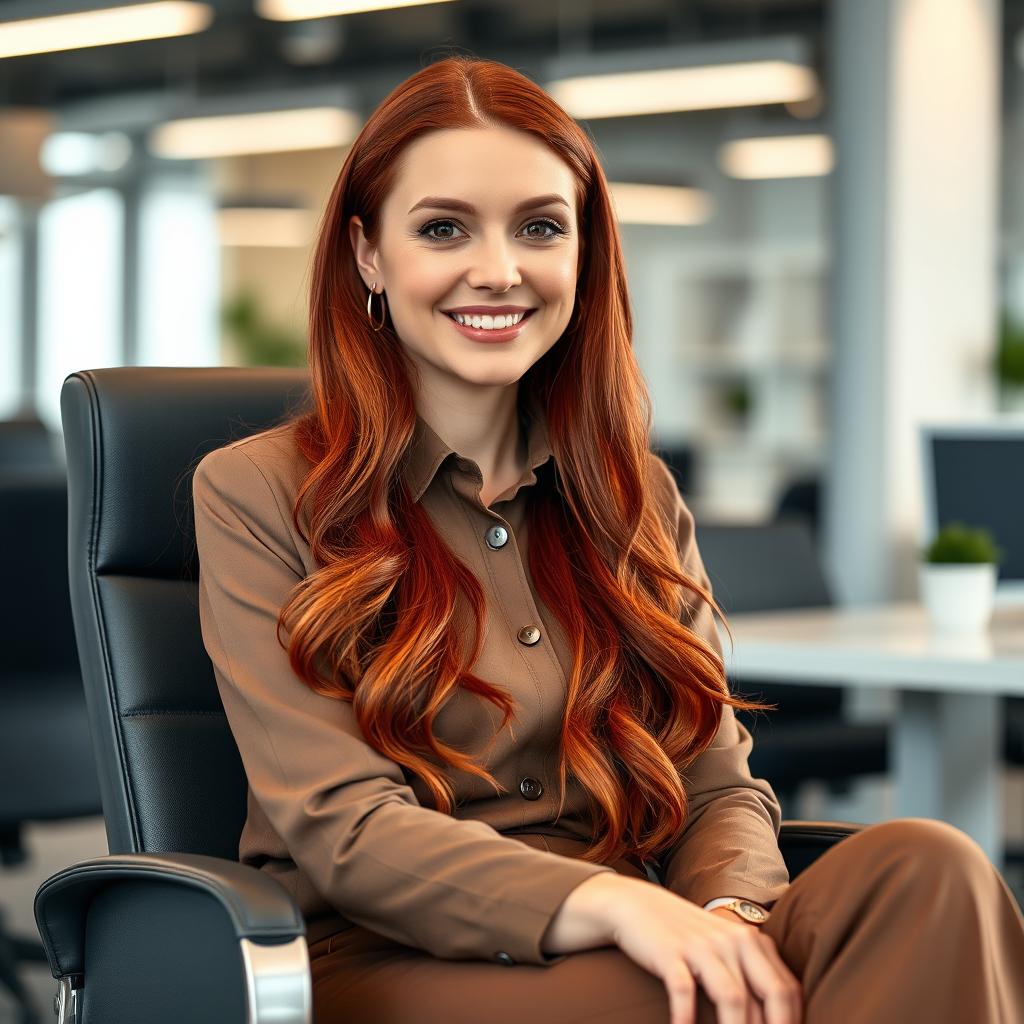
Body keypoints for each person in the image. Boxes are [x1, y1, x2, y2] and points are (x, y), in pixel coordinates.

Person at [191, 55, 1024, 1024]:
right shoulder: (259, 490)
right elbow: (344, 827)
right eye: (443, 227)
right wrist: (618, 905)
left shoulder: (632, 495)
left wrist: (730, 909)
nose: (498, 268)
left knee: (932, 868)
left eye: (540, 227)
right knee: (709, 999)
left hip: (645, 919)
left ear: (584, 255)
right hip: (392, 949)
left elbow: (715, 778)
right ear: (369, 255)